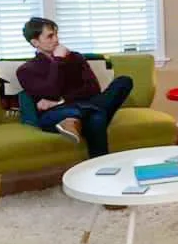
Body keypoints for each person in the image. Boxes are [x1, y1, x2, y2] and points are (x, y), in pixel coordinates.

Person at [16, 17, 134, 159]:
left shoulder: (75, 58)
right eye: (50, 36)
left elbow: (93, 89)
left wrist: (60, 101)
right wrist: (58, 60)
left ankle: (74, 121)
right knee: (95, 117)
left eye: (56, 34)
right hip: (57, 114)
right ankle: (99, 164)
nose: (56, 40)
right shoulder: (26, 70)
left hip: (80, 105)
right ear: (35, 42)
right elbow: (52, 92)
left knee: (124, 82)